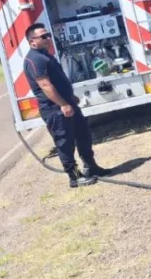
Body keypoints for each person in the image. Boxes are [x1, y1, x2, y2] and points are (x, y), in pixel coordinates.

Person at [24, 23, 109, 187]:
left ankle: (91, 167)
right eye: (43, 36)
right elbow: (45, 85)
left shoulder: (46, 55)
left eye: (47, 35)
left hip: (67, 103)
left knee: (83, 134)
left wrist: (71, 98)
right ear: (32, 41)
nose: (48, 38)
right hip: (55, 109)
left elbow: (58, 81)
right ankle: (74, 177)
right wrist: (63, 104)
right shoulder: (35, 60)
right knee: (65, 142)